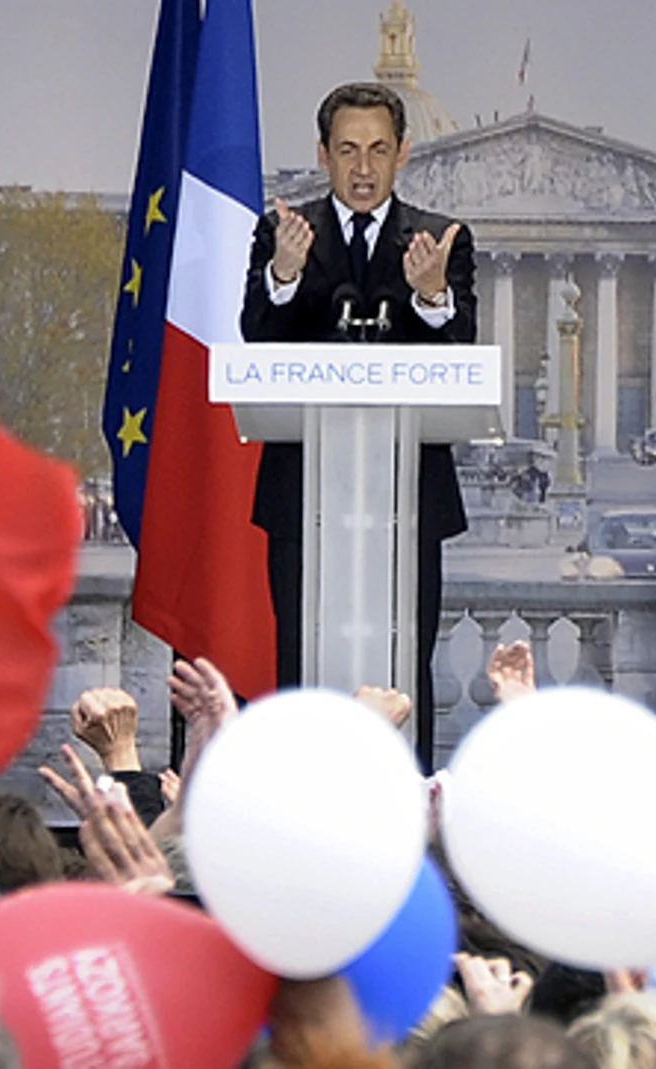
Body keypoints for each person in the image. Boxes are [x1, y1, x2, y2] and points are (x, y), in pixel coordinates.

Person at [240, 81, 477, 769]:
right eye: (348, 150)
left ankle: (408, 815)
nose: (364, 167)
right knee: (299, 657)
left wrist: (433, 295)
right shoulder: (284, 231)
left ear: (403, 153)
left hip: (407, 498)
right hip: (303, 499)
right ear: (323, 154)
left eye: (378, 150)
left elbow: (463, 351)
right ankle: (300, 810)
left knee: (409, 664)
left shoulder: (441, 239)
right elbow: (256, 339)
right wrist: (283, 275)